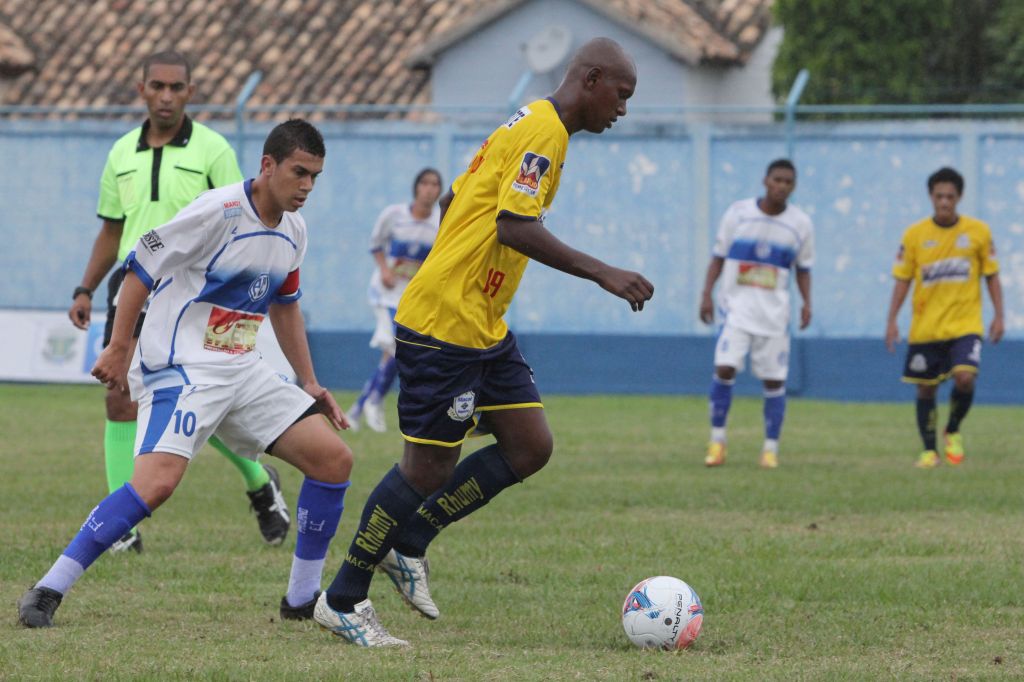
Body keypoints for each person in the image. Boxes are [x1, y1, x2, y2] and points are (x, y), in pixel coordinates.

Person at [313, 37, 654, 648]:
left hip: (483, 325)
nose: (623, 109)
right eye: (621, 95)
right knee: (427, 467)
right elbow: (514, 225)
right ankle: (343, 599)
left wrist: (466, 265)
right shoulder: (544, 133)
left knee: (529, 445)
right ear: (592, 78)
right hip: (445, 325)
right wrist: (604, 271)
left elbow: (455, 200)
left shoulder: (528, 119)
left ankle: (410, 544)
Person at [18, 119, 352, 629]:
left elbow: (286, 305)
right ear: (268, 165)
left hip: (243, 369)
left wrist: (307, 382)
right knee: (156, 485)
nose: (307, 186)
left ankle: (301, 599)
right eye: (299, 172)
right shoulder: (216, 212)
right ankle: (48, 588)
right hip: (183, 367)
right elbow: (138, 271)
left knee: (334, 460)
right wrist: (119, 348)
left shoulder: (294, 229)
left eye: (316, 177)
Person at [67, 50, 291, 552]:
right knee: (118, 398)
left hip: (195, 296)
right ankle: (121, 526)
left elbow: (244, 216)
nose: (166, 96)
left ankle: (259, 482)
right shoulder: (122, 152)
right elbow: (112, 229)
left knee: (199, 398)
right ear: (141, 89)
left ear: (190, 92)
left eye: (176, 87)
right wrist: (84, 288)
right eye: (157, 86)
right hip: (133, 286)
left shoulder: (213, 149)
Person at [885, 167, 1004, 469]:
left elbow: (991, 275)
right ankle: (929, 451)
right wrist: (891, 320)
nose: (945, 202)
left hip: (966, 325)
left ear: (959, 197)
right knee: (926, 388)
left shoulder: (978, 232)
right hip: (927, 327)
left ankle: (952, 429)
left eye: (950, 196)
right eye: (939, 196)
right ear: (931, 197)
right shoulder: (914, 236)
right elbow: (903, 279)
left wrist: (999, 315)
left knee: (965, 378)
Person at [699, 159, 813, 469]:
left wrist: (807, 303)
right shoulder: (738, 214)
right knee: (724, 368)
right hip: (735, 309)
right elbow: (718, 257)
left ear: (794, 186)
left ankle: (770, 448)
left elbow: (803, 269)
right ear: (765, 180)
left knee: (774, 381)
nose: (781, 186)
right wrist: (706, 294)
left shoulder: (800, 224)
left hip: (774, 315)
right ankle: (717, 441)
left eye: (788, 182)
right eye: (777, 179)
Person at [347, 168, 443, 433]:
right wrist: (385, 270)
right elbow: (375, 244)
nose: (429, 189)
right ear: (416, 187)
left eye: (435, 184)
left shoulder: (439, 223)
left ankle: (358, 408)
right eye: (425, 183)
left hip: (411, 297)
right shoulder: (394, 215)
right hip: (385, 292)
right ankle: (375, 401)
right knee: (397, 346)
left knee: (393, 352)